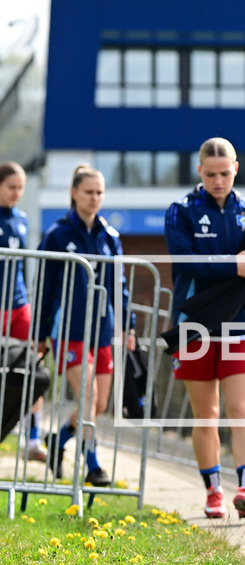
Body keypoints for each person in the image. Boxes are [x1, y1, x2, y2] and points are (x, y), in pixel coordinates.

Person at [164, 137, 245, 519]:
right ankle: (213, 491)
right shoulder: (180, 211)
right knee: (207, 414)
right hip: (195, 328)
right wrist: (232, 266)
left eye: (225, 173)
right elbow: (186, 263)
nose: (219, 180)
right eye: (211, 174)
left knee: (240, 410)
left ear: (236, 168)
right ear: (199, 171)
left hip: (241, 327)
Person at [36, 164, 136, 486]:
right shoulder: (57, 234)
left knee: (99, 404)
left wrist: (128, 325)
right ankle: (93, 465)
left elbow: (120, 286)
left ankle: (59, 440)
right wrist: (40, 333)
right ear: (74, 193)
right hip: (69, 329)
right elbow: (45, 287)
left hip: (103, 329)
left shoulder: (110, 236)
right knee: (88, 398)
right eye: (89, 192)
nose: (94, 198)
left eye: (99, 192)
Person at [0, 161, 48, 464]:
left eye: (21, 188)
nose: (17, 193)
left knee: (32, 368)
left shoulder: (21, 219)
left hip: (19, 305)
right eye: (11, 187)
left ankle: (33, 438)